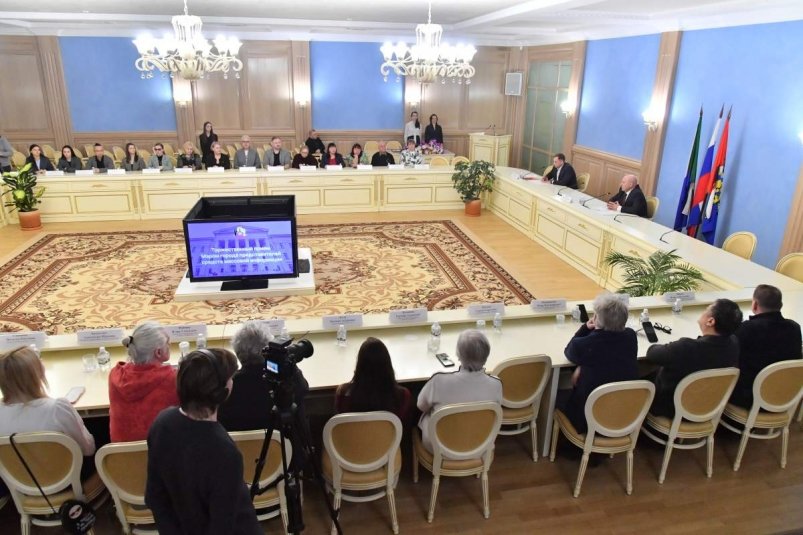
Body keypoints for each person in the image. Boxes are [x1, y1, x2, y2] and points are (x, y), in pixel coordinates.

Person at [145, 348, 262, 535]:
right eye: (230, 378)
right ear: (222, 393)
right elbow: (222, 526)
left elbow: (154, 497)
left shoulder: (162, 422)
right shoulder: (225, 452)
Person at [0, 346, 96, 478]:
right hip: (68, 479)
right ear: (38, 374)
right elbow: (88, 449)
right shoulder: (57, 409)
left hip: (18, 482)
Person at [645, 299, 743, 417]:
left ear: (710, 321)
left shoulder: (686, 348)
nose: (703, 311)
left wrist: (672, 346)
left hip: (671, 409)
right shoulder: (733, 343)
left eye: (706, 309)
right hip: (708, 408)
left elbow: (652, 353)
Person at [562, 293, 638, 433]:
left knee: (560, 398)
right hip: (621, 417)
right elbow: (608, 351)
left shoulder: (584, 345)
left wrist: (585, 328)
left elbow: (569, 352)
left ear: (596, 318)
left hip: (587, 420)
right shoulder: (631, 336)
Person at [417, 330, 502, 453]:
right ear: (486, 355)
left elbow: (421, 406)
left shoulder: (438, 381)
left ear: (458, 355)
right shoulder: (496, 385)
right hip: (479, 447)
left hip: (440, 449)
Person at [219, 322, 309, 432]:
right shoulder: (285, 378)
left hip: (241, 443)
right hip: (285, 441)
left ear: (237, 353)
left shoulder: (228, 386)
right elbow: (303, 390)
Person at [730, 285, 802, 408]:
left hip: (751, 399)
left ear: (755, 305)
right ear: (781, 305)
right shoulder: (794, 328)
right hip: (786, 397)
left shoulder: (746, 329)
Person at [109, 321, 178, 443]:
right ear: (158, 352)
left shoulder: (115, 374)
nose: (170, 345)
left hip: (121, 453)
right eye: (167, 342)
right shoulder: (173, 378)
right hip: (163, 451)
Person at [335, 337, 412, 422]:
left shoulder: (343, 393)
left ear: (360, 365)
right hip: (385, 431)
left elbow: (341, 418)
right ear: (387, 364)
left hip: (353, 431)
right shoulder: (403, 396)